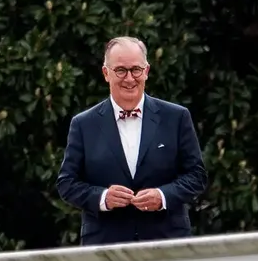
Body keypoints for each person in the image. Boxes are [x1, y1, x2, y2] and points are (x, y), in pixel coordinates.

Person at [56, 36, 206, 245]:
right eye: (120, 70)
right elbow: (66, 183)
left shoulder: (176, 117)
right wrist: (103, 198)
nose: (129, 78)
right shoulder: (83, 124)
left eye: (135, 69)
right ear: (106, 73)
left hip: (166, 242)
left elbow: (197, 176)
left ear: (146, 71)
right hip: (105, 245)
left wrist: (163, 196)